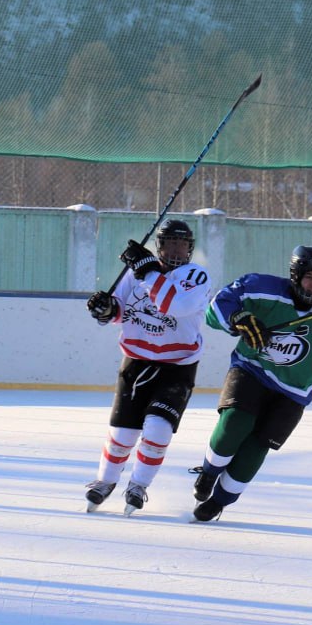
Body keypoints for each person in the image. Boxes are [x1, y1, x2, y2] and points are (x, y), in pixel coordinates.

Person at [189, 245, 312, 522]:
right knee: (236, 422)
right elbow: (216, 308)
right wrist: (238, 318)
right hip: (252, 368)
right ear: (294, 276)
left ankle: (220, 501)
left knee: (257, 448)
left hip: (294, 392)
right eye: (308, 276)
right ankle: (209, 473)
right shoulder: (260, 288)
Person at [81, 219, 212, 516]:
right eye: (169, 244)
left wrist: (148, 271)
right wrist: (106, 309)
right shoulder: (137, 272)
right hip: (136, 363)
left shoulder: (196, 276)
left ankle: (138, 485)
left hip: (177, 367)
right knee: (123, 434)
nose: (175, 250)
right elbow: (121, 309)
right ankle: (105, 481)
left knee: (157, 428)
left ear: (190, 248)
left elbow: (174, 306)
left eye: (182, 244)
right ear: (160, 246)